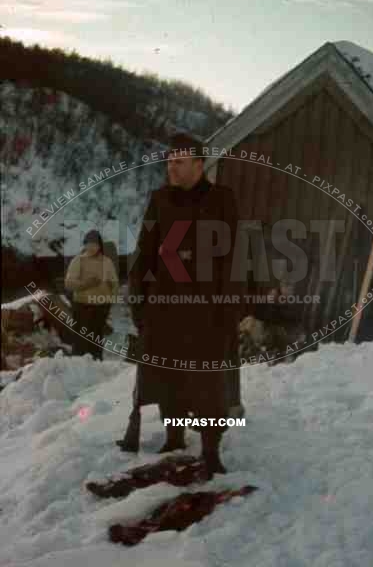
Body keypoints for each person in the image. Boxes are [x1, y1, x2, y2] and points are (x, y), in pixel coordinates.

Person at [117, 133, 243, 478]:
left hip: (209, 309)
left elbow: (235, 255)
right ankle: (174, 437)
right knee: (168, 377)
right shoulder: (160, 200)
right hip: (166, 307)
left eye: (179, 162)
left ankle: (210, 449)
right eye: (169, 162)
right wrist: (138, 301)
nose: (172, 168)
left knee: (208, 383)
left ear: (200, 165)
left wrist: (230, 305)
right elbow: (144, 252)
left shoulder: (222, 199)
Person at [65, 230, 119, 360]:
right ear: (84, 245)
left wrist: (110, 295)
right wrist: (86, 283)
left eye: (94, 244)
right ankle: (78, 366)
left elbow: (115, 283)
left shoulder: (107, 262)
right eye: (88, 244)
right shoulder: (78, 261)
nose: (91, 247)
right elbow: (68, 283)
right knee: (81, 340)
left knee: (96, 339)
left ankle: (96, 366)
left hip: (101, 306)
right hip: (82, 306)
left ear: (100, 245)